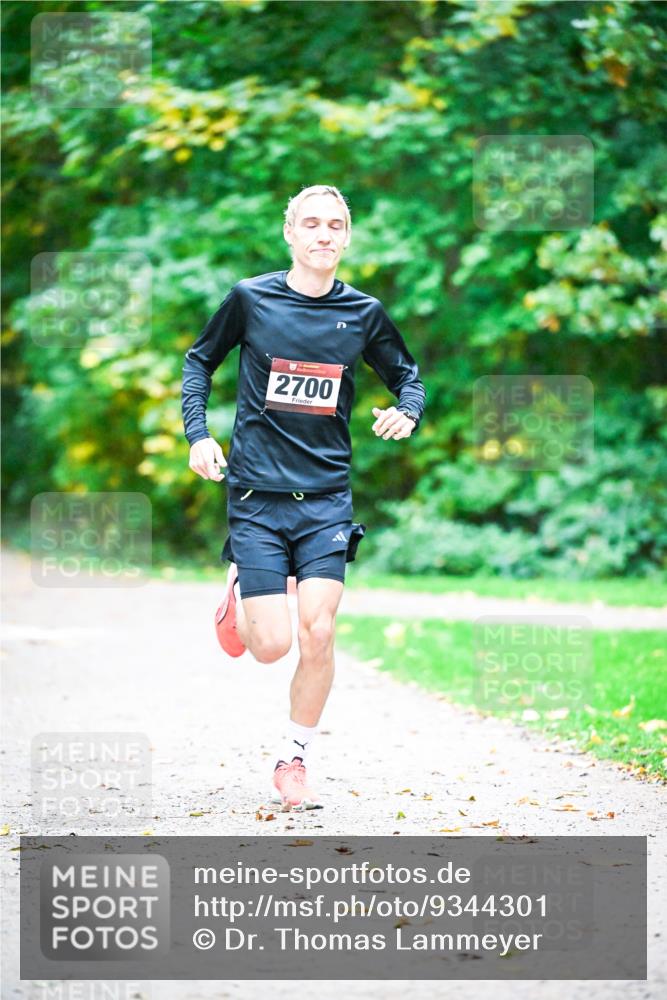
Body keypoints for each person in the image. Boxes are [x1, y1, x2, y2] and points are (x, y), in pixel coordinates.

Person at [181, 184, 425, 810]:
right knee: (272, 646)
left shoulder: (364, 313)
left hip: (326, 499)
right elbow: (199, 362)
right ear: (289, 232)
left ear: (347, 237)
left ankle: (294, 758)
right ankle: (240, 588)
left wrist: (407, 410)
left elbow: (407, 375)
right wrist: (199, 435)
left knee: (318, 632)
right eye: (311, 223)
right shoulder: (250, 298)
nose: (323, 234)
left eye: (335, 225)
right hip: (257, 497)